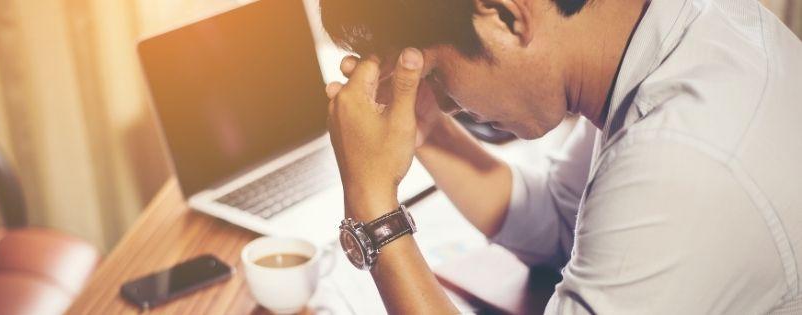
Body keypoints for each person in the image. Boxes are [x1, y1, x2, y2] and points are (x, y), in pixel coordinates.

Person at [321, 0, 802, 313]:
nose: (448, 102)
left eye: (441, 76)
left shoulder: (684, 160)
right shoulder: (669, 31)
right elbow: (556, 220)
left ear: (508, 16)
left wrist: (371, 205)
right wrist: (427, 132)